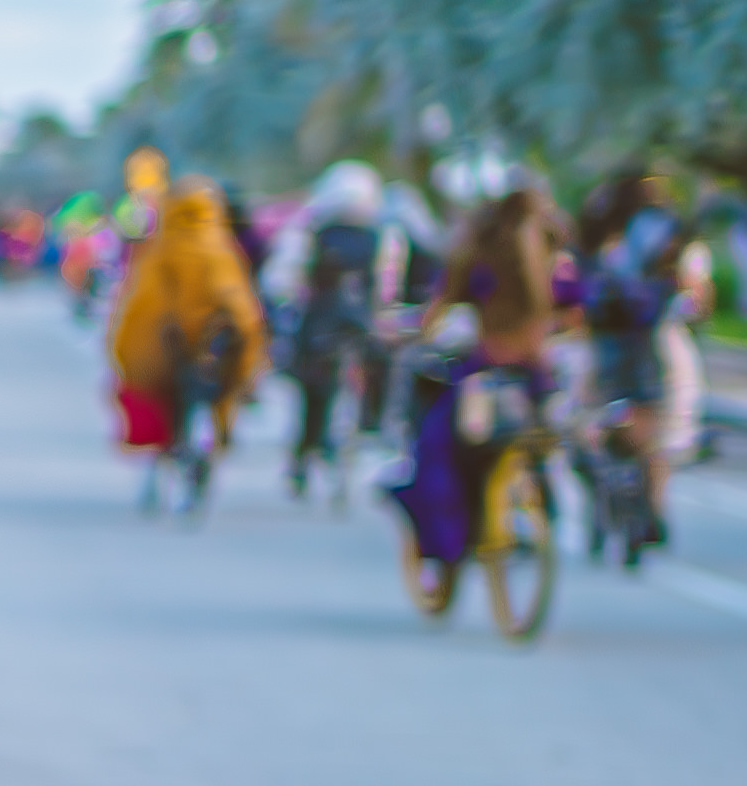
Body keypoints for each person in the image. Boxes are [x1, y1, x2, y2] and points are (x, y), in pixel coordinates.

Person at [394, 185, 572, 578]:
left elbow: (435, 313)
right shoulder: (557, 262)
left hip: (485, 371)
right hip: (536, 376)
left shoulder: (477, 257)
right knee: (542, 438)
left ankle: (448, 540)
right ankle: (540, 505)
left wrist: (412, 334)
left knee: (436, 443)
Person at [104, 184, 263, 479]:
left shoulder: (158, 251)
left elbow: (140, 304)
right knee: (233, 370)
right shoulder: (219, 252)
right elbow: (236, 302)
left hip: (169, 342)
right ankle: (223, 426)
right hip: (207, 343)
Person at [266, 160, 416, 469]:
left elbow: (286, 277)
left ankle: (306, 450)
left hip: (318, 322)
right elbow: (387, 282)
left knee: (310, 385)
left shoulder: (311, 232)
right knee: (385, 362)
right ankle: (372, 422)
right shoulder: (381, 235)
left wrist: (289, 300)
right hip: (362, 320)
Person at [576, 164, 716, 493]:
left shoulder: (601, 238)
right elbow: (697, 297)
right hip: (656, 338)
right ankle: (654, 489)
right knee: (666, 413)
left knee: (590, 407)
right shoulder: (672, 236)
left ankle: (596, 463)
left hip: (604, 339)